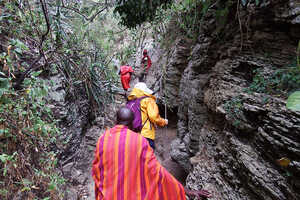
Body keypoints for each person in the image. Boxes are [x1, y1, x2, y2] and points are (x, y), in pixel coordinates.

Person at [92, 107, 212, 200]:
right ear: (133, 123)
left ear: (116, 120)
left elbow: (97, 171)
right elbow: (156, 171)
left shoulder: (103, 139)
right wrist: (186, 191)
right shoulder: (139, 140)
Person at [127, 82, 167, 150]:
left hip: (132, 135)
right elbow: (154, 117)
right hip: (146, 134)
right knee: (147, 158)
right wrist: (164, 122)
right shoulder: (148, 101)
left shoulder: (131, 102)